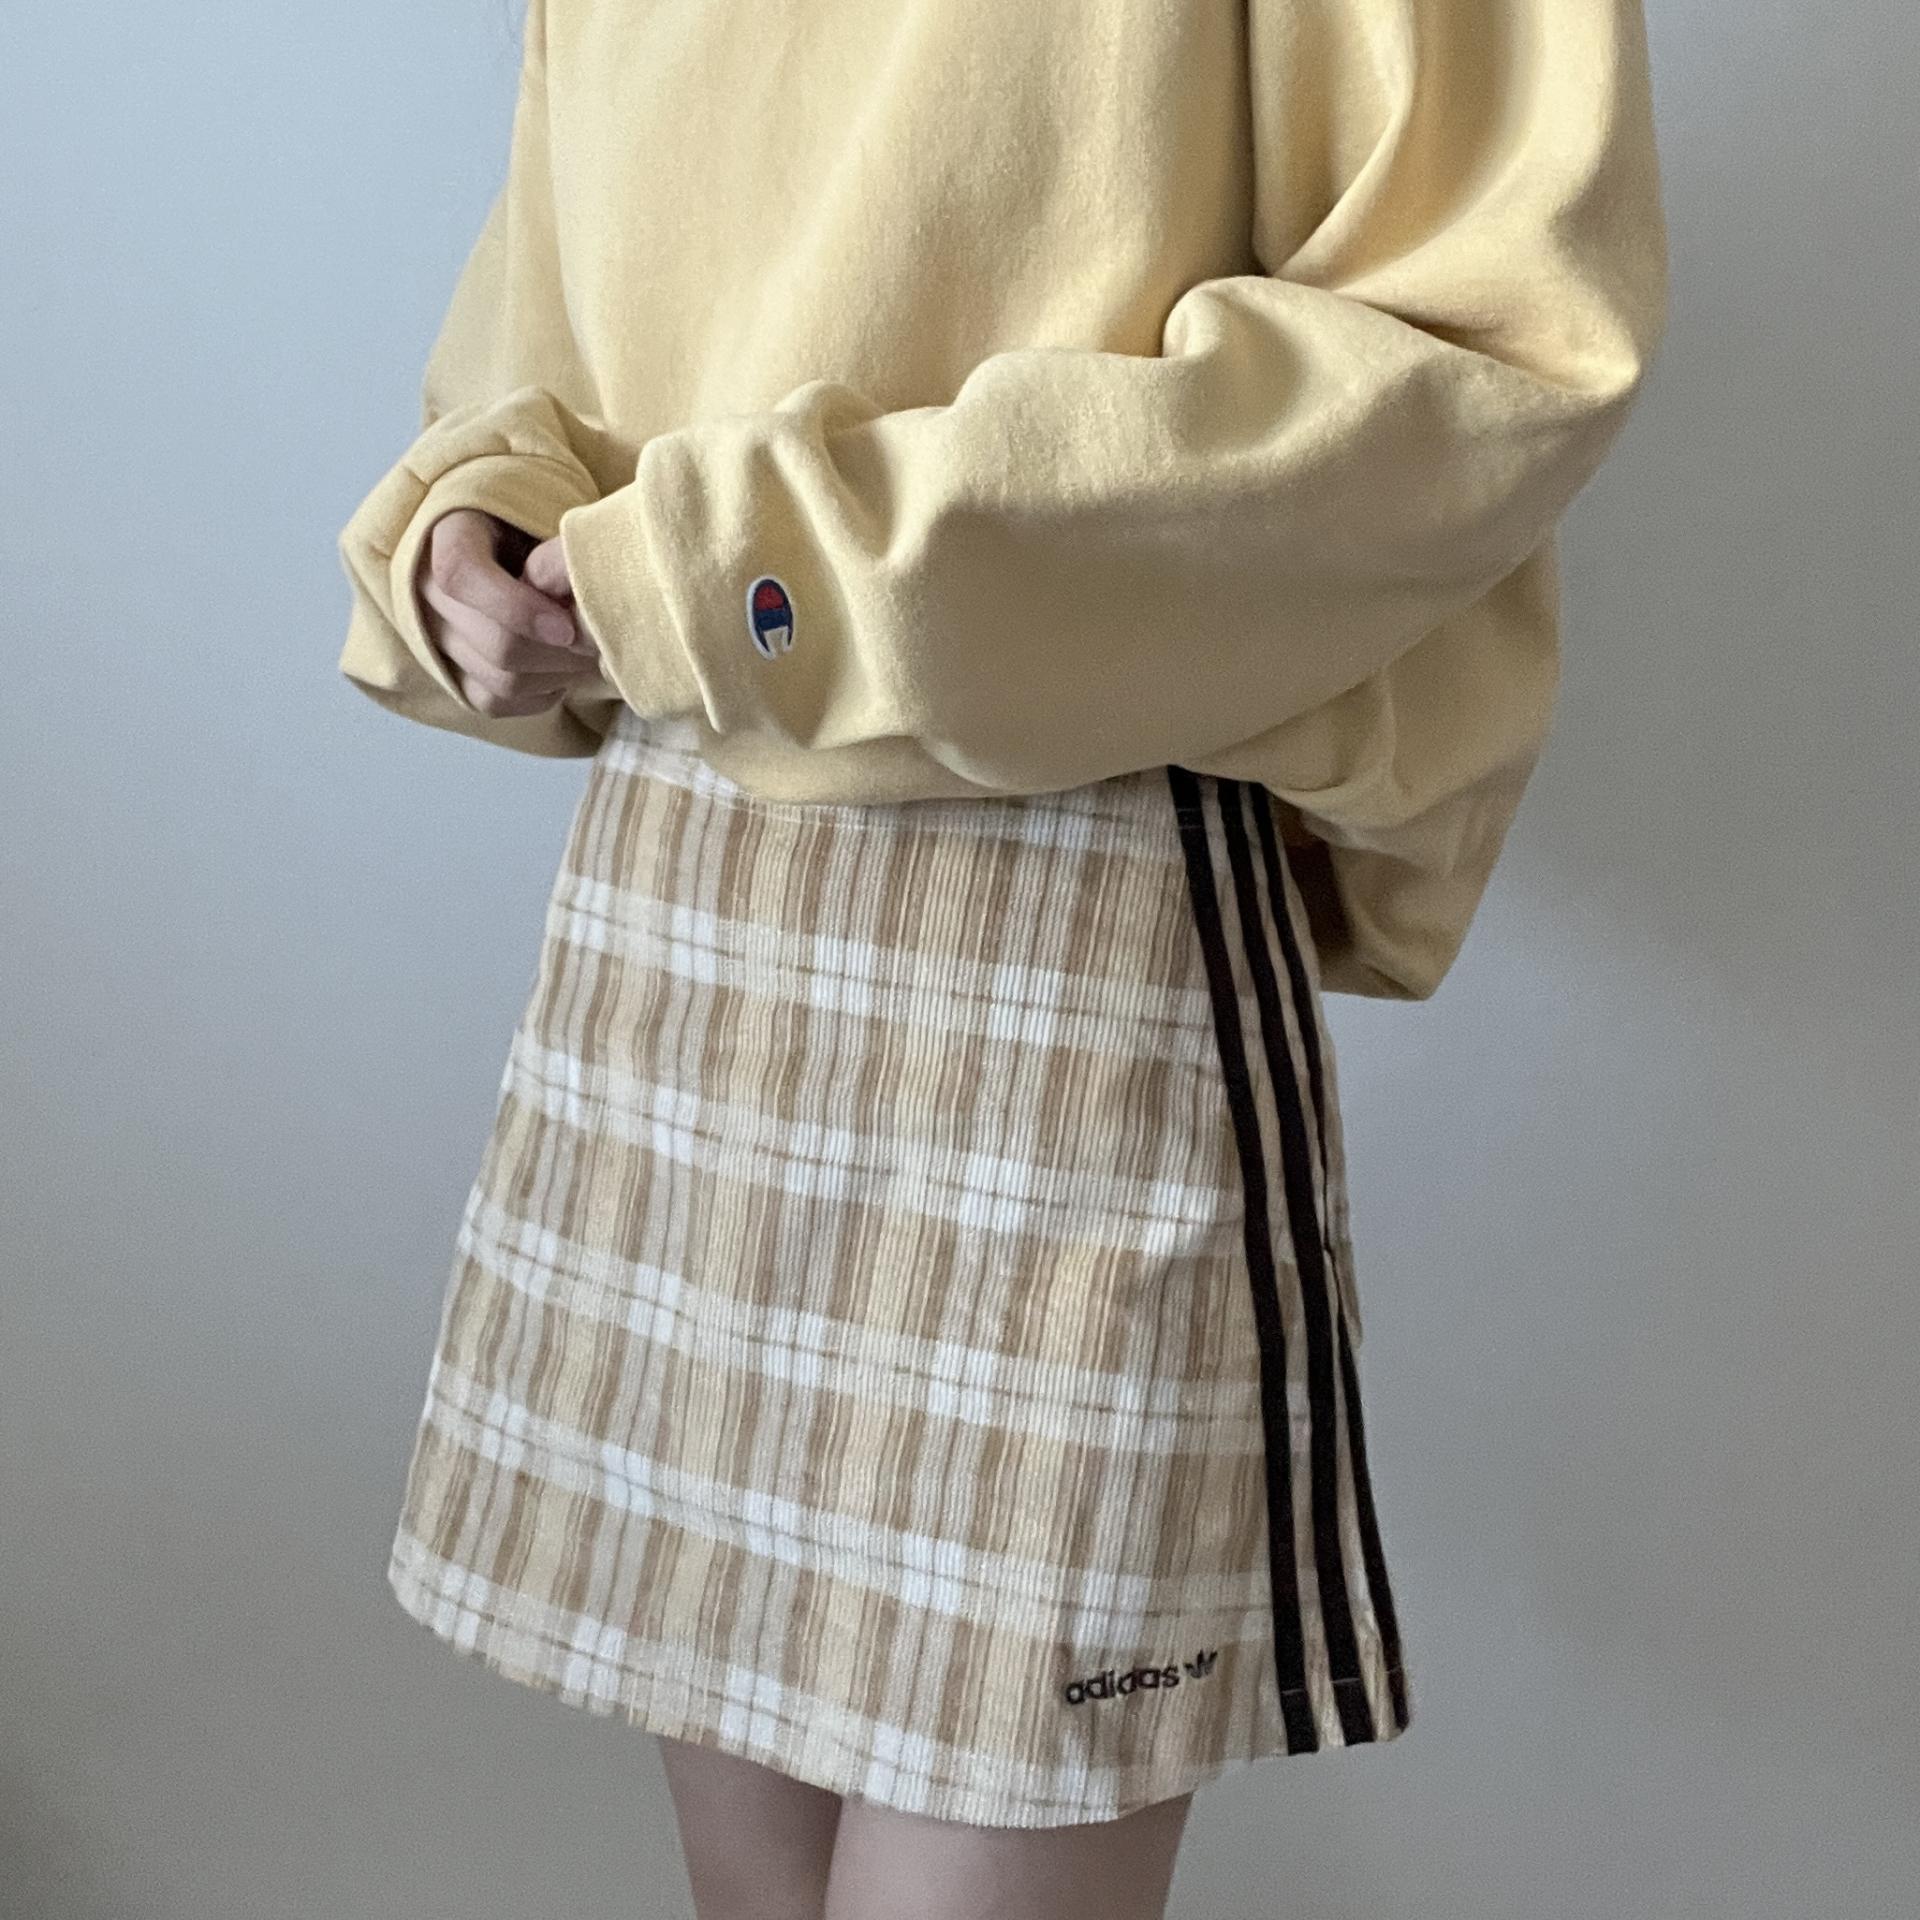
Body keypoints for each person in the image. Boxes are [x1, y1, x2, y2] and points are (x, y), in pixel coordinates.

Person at [336, 0, 1668, 1913]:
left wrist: (753, 568)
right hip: (685, 892)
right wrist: (479, 527)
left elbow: (1492, 357)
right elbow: (551, 358)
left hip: (1075, 888)